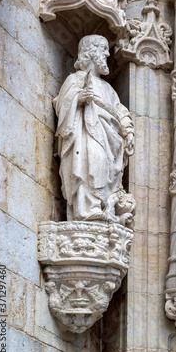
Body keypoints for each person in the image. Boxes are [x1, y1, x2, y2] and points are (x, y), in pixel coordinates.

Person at [53, 34, 134, 221]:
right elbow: (62, 104)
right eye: (102, 49)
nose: (107, 54)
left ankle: (99, 206)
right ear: (91, 53)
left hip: (108, 139)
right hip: (84, 135)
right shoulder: (75, 80)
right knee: (86, 165)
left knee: (102, 166)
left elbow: (119, 111)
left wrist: (128, 131)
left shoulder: (108, 88)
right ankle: (85, 210)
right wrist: (79, 99)